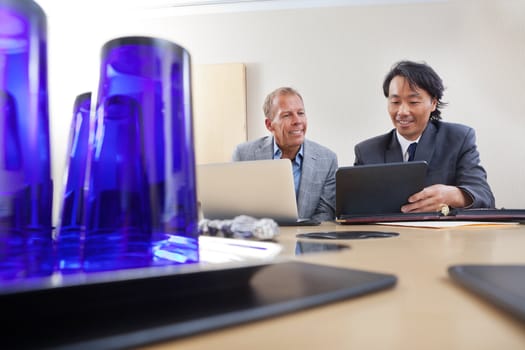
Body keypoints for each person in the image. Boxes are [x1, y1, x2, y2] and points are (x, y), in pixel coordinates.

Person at [354, 60, 495, 213]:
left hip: (441, 236)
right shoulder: (366, 151)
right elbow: (352, 207)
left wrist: (452, 196)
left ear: (433, 103)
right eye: (395, 102)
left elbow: (484, 196)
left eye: (413, 102)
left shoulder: (458, 139)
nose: (402, 111)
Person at [232, 87, 338, 222]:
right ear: (269, 125)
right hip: (261, 238)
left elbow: (325, 215)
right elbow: (237, 210)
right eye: (287, 115)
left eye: (301, 113)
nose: (297, 121)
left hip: (307, 240)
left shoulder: (327, 160)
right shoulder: (243, 155)